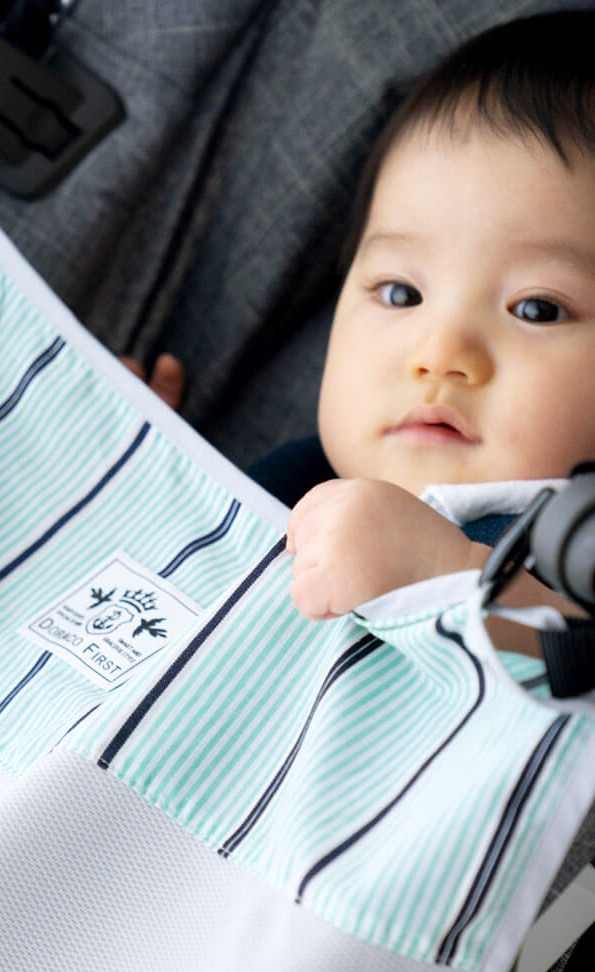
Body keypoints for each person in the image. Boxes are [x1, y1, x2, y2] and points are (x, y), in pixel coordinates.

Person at [123, 10, 595, 654]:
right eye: (401, 294)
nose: (440, 355)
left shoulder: (575, 545)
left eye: (536, 309)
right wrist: (135, 473)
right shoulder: (294, 480)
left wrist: (451, 577)